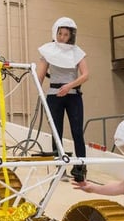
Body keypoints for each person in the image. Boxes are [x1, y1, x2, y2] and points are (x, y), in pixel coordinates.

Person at [36, 17, 89, 181]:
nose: (62, 37)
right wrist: (40, 93)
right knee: (56, 132)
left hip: (73, 96)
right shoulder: (48, 51)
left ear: (71, 35)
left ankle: (80, 168)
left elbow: (86, 75)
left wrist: (69, 86)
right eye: (60, 33)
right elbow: (40, 76)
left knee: (77, 132)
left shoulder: (77, 52)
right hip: (54, 96)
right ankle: (60, 169)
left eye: (66, 34)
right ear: (55, 32)